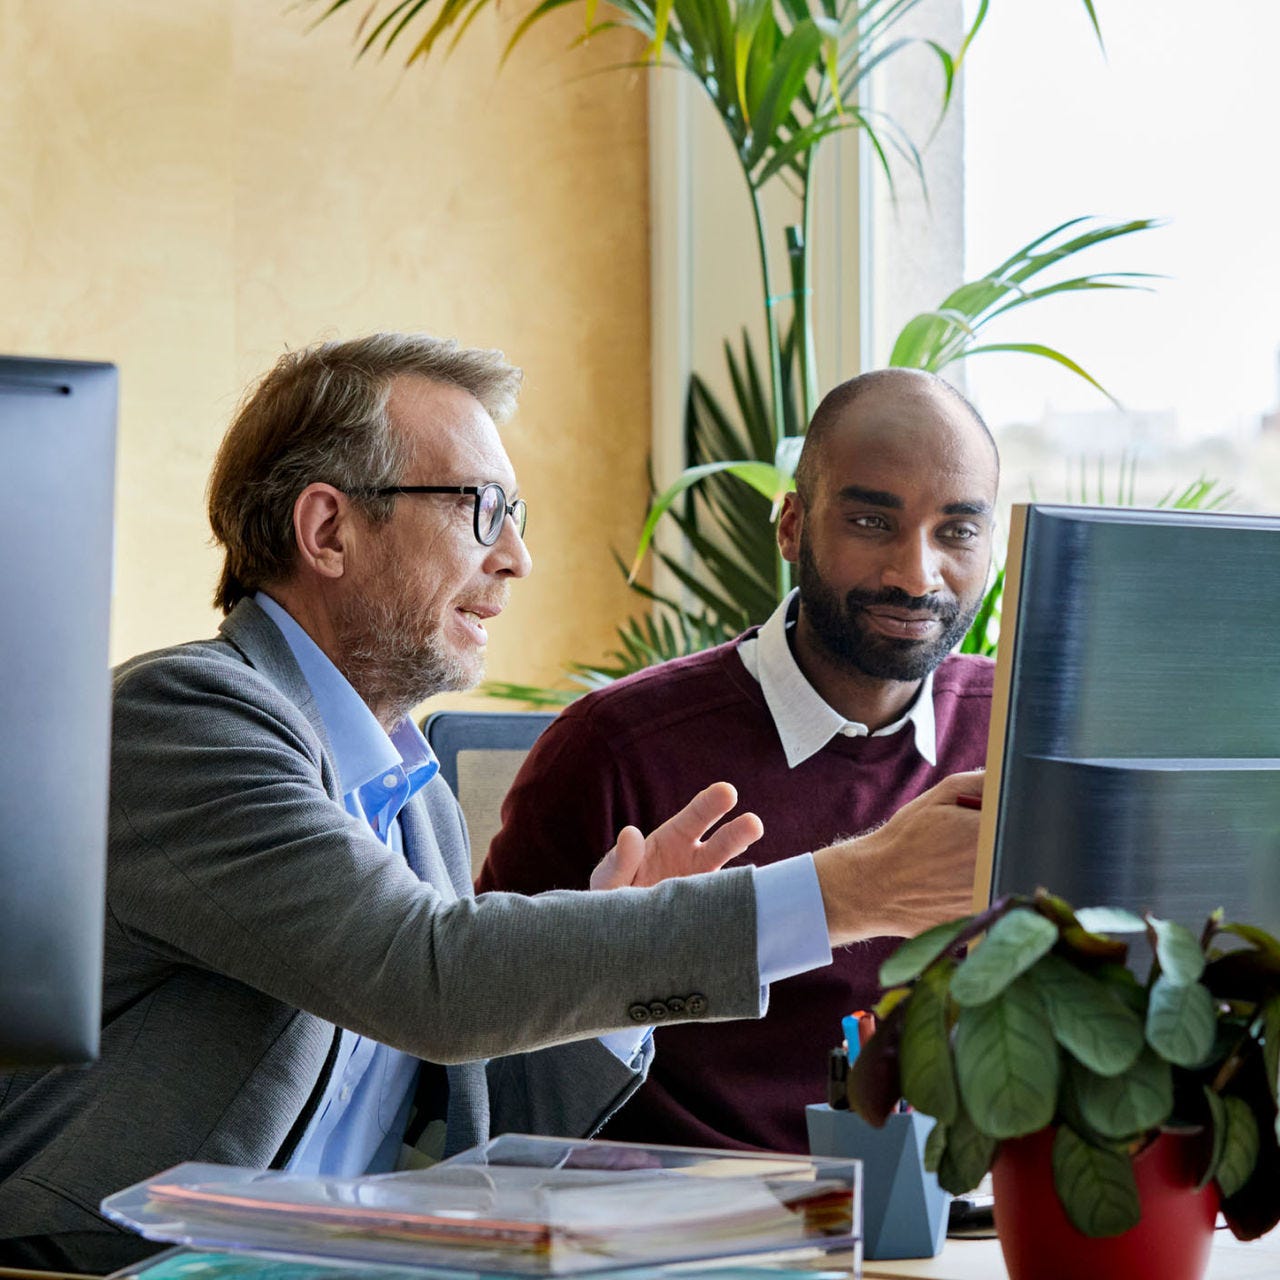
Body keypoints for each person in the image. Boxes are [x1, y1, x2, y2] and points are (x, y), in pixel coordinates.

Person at [0, 337, 983, 1273]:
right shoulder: (189, 720)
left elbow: (493, 1117)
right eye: (480, 508)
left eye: (518, 515)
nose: (515, 556)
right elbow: (429, 974)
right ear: (327, 529)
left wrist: (617, 944)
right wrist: (849, 890)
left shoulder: (402, 782)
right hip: (102, 1268)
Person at [479, 367, 998, 1153]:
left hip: (966, 1234)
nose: (915, 575)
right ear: (791, 526)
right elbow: (483, 1084)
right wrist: (633, 959)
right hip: (691, 1237)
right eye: (870, 522)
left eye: (957, 531)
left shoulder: (1021, 733)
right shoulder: (613, 750)